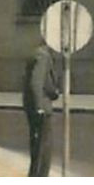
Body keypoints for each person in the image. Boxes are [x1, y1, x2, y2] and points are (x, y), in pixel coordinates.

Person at [22, 43, 62, 176]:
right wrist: (39, 106)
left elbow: (44, 83)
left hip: (38, 106)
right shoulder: (43, 56)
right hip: (42, 109)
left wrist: (53, 92)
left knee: (40, 147)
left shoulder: (40, 54)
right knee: (43, 149)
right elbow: (36, 82)